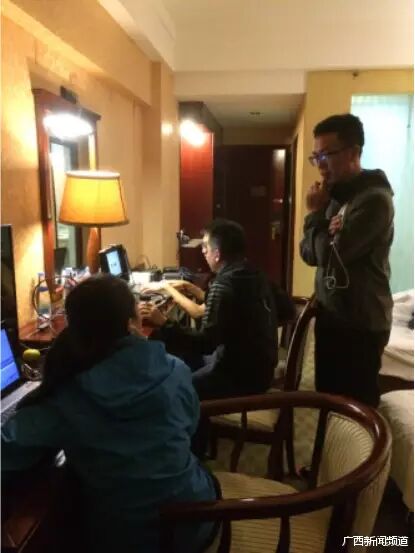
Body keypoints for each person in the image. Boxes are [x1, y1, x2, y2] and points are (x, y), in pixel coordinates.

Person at [1, 275, 217, 553]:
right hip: (196, 519)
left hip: (127, 539)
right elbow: (189, 427)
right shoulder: (175, 368)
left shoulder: (68, 396)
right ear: (132, 322)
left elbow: (6, 450)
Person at [300, 113, 394, 407]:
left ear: (354, 152)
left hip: (360, 322)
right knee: (327, 399)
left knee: (356, 408)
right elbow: (308, 253)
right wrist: (321, 225)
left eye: (326, 154)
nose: (320, 165)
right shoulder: (334, 197)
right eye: (316, 157)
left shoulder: (374, 200)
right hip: (333, 315)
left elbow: (330, 256)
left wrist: (315, 215)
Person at [140, 218, 279, 401]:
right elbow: (285, 311)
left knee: (174, 390)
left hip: (239, 376)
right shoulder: (255, 273)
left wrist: (163, 322)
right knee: (183, 355)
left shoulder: (223, 285)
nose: (203, 250)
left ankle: (195, 416)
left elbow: (205, 344)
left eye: (205, 246)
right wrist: (189, 288)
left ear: (217, 254)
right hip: (260, 368)